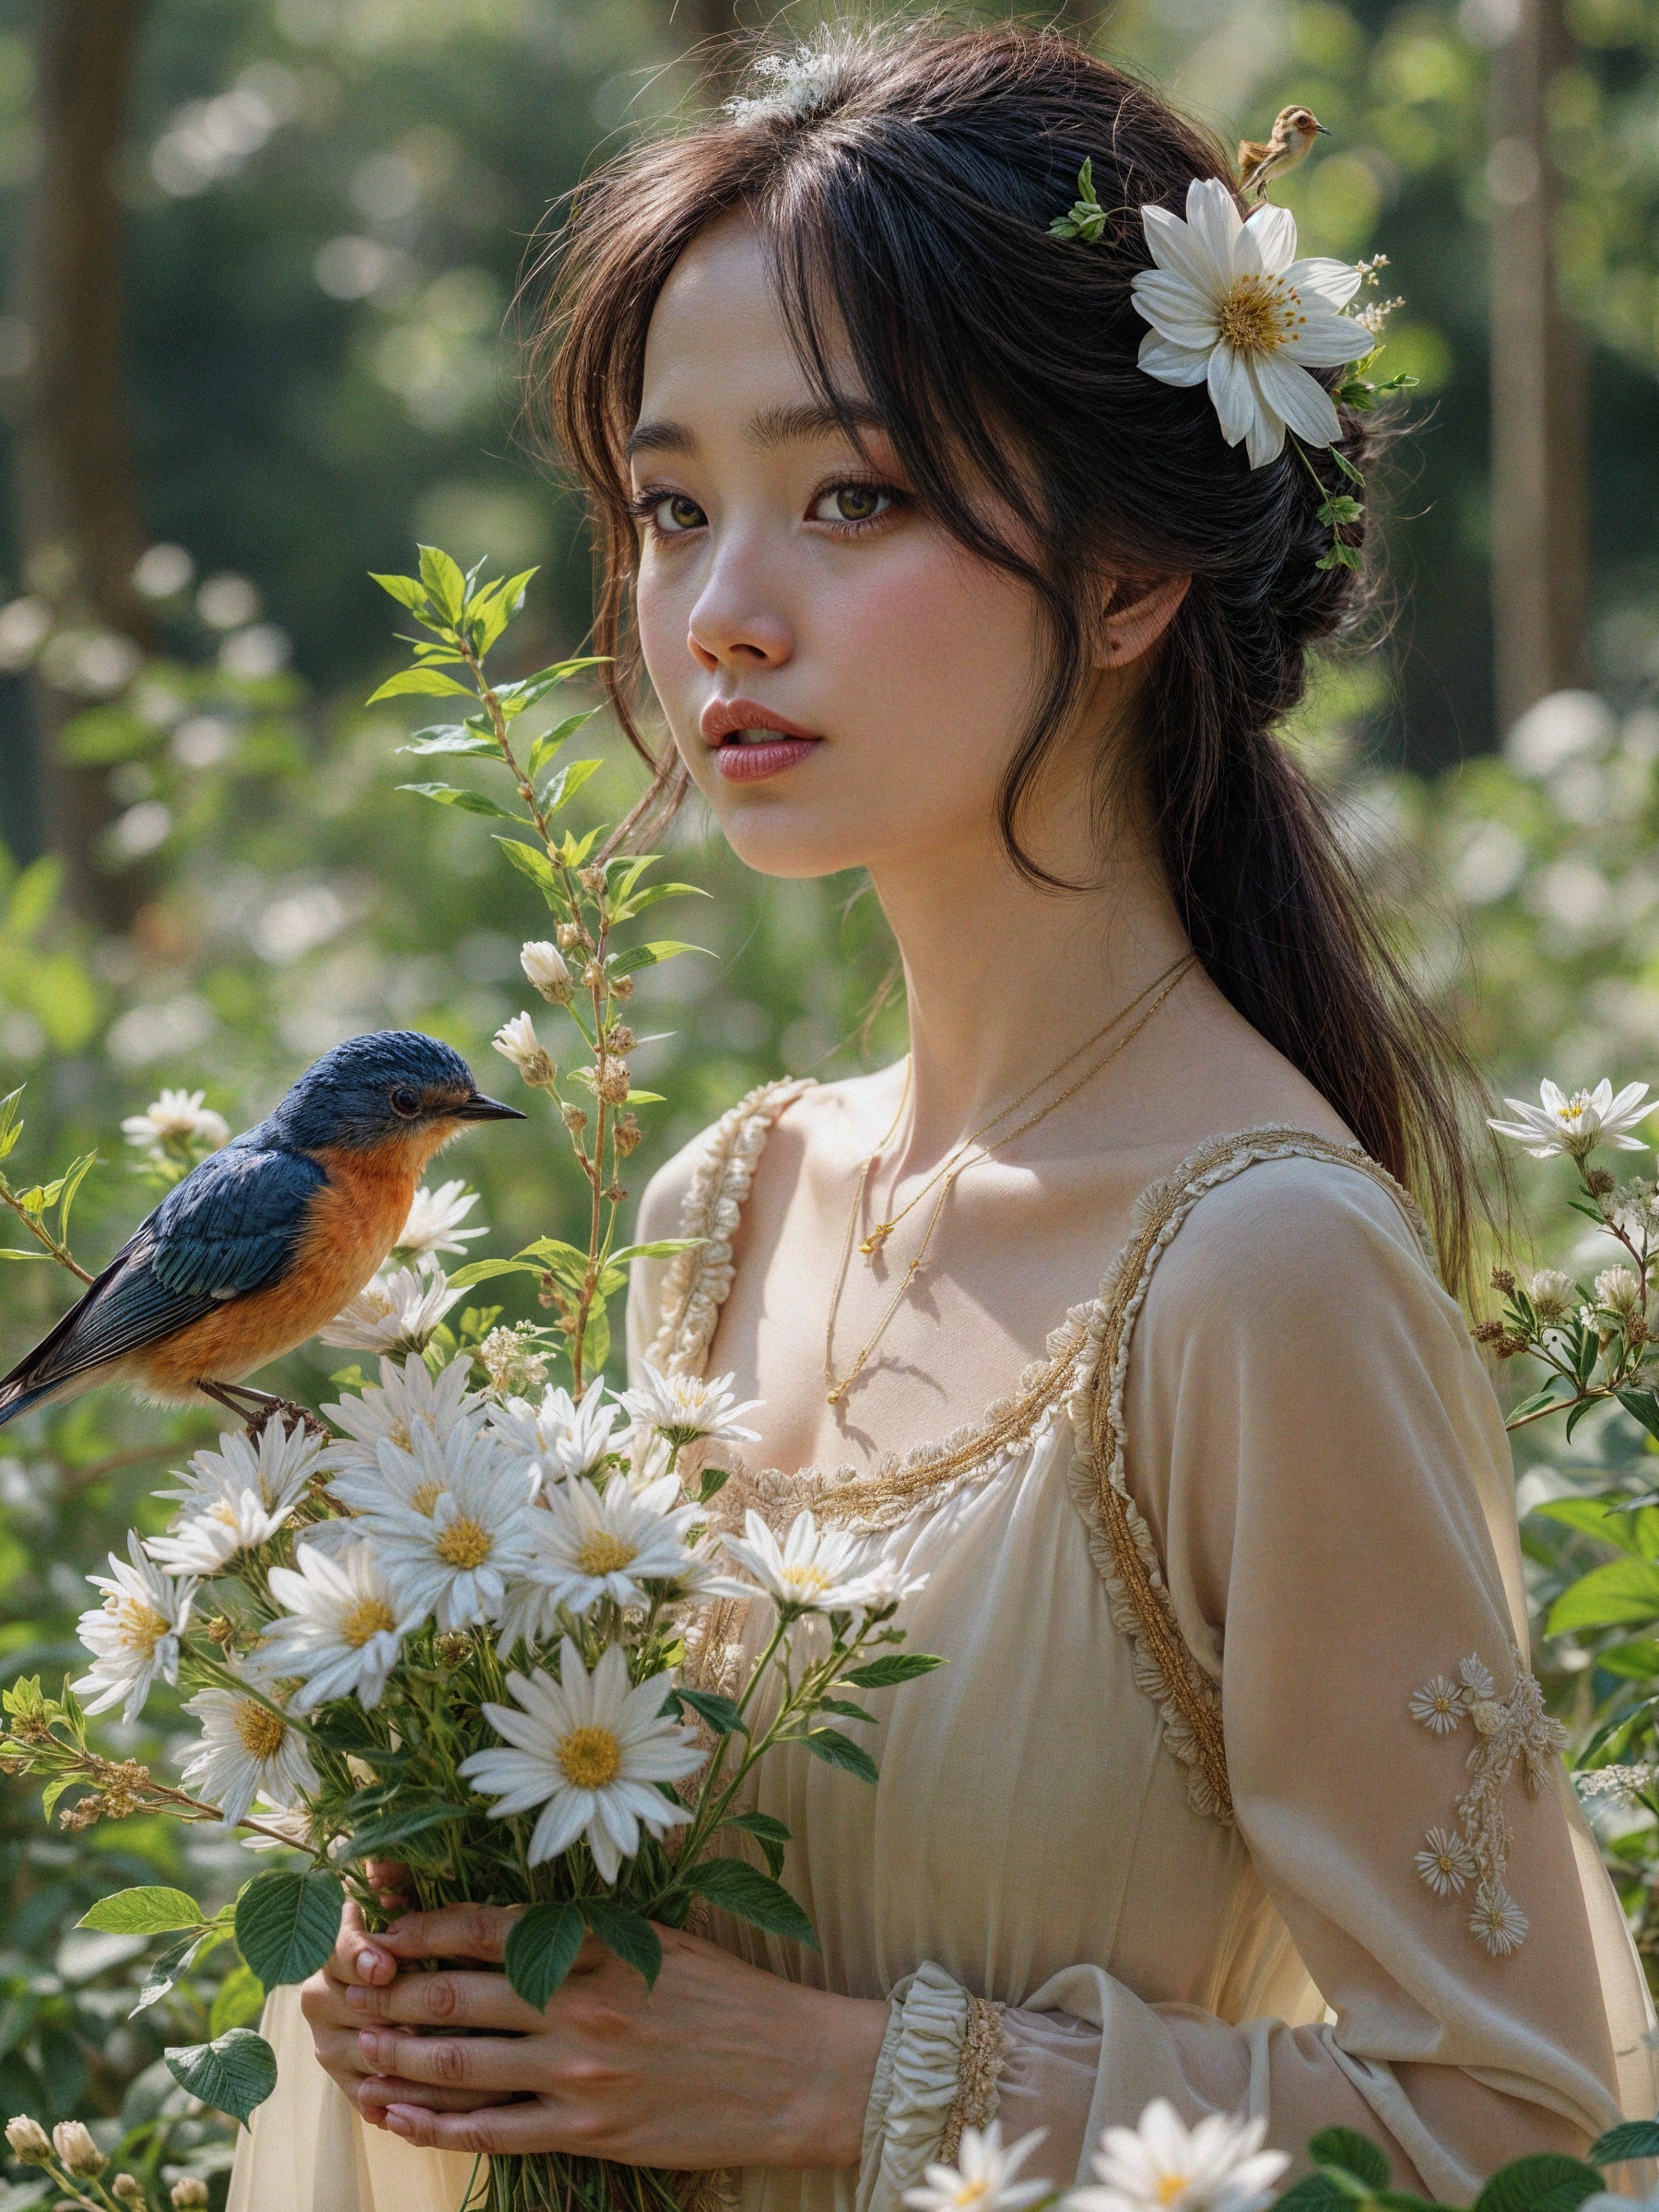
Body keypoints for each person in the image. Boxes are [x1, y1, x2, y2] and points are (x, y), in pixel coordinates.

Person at [234, 23, 1656, 2210]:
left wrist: (830, 2091)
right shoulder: (730, 1206)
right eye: (672, 506)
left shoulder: (1260, 1268)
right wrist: (461, 1994)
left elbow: (1521, 2134)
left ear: (1127, 577)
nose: (722, 613)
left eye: (855, 496)